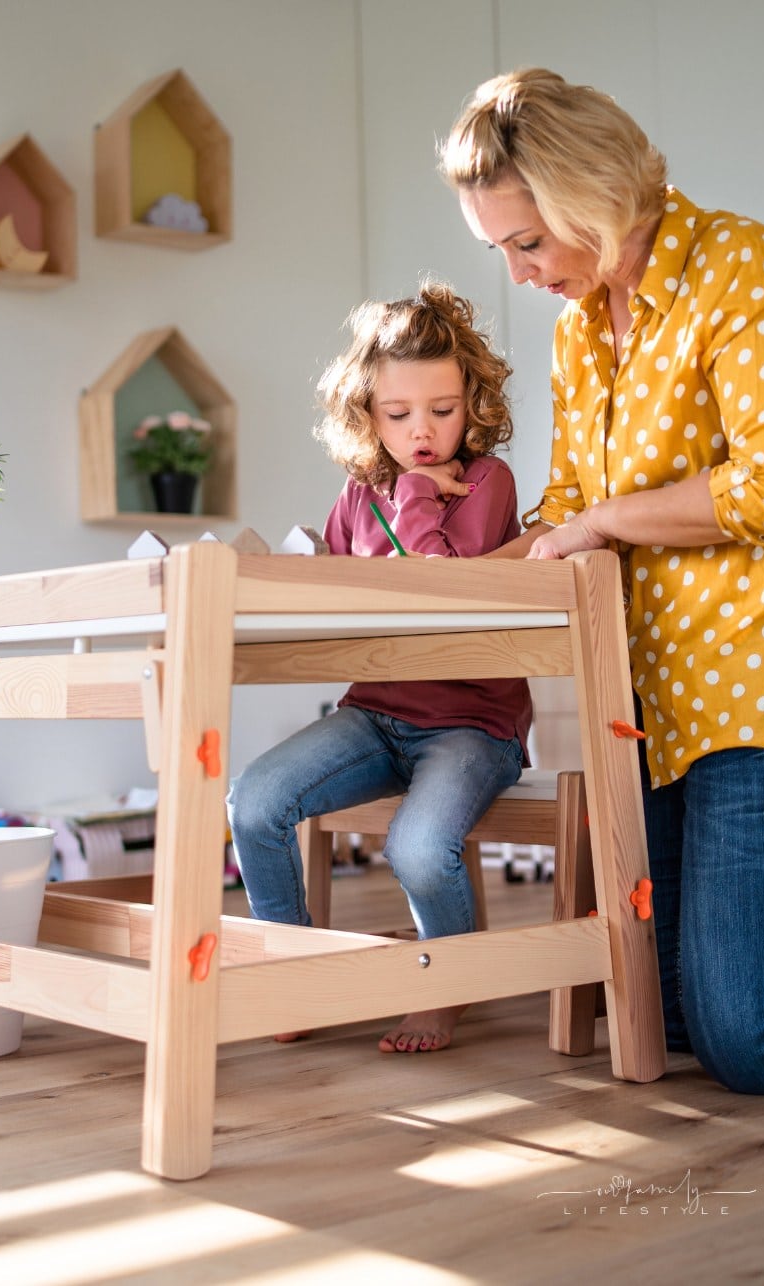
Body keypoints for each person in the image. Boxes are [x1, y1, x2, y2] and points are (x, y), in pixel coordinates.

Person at [439, 66, 764, 1095]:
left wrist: (600, 521)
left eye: (529, 242)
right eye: (500, 248)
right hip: (651, 699)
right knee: (679, 1021)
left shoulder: (741, 267)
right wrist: (451, 587)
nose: (518, 274)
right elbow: (565, 503)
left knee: (755, 1046)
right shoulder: (578, 329)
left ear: (591, 195)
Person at [227, 281, 532, 1054]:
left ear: (473, 404)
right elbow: (341, 598)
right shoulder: (356, 494)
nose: (423, 432)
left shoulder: (486, 482)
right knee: (254, 803)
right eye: (399, 415)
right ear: (366, 413)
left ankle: (445, 987)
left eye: (442, 410)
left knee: (416, 849)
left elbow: (439, 591)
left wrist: (420, 497)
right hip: (373, 713)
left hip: (471, 723)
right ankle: (294, 976)